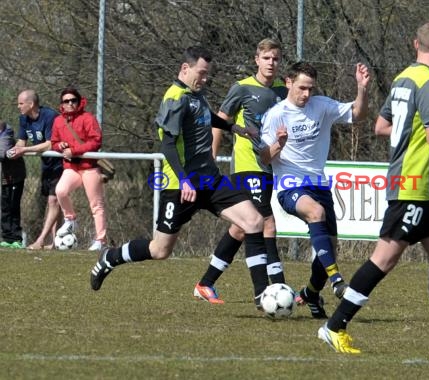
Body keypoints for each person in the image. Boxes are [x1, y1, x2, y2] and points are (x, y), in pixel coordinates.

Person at [317, 21, 429, 356]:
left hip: (422, 189)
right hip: (413, 183)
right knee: (383, 259)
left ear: (415, 44)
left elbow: (383, 127)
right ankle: (334, 326)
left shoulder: (402, 78)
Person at [89, 46, 271, 311]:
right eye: (201, 73)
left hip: (210, 180)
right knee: (160, 250)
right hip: (180, 185)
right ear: (185, 69)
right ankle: (111, 257)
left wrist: (235, 128)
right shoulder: (175, 98)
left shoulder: (196, 95)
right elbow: (168, 146)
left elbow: (207, 118)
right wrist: (185, 181)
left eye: (208, 74)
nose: (205, 79)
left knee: (253, 221)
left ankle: (262, 296)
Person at [259, 61, 370, 318]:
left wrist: (362, 89)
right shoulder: (276, 114)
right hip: (290, 186)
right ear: (288, 82)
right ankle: (337, 281)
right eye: (301, 88)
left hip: (319, 184)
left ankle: (309, 294)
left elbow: (358, 115)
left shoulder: (321, 106)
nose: (306, 94)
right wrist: (279, 144)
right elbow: (264, 158)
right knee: (316, 212)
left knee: (329, 247)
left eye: (310, 88)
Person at [193, 38, 288, 304]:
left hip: (269, 166)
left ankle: (205, 283)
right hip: (248, 166)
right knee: (266, 222)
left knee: (242, 228)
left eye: (276, 58)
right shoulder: (243, 88)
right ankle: (274, 289)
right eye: (266, 58)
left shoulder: (283, 91)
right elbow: (219, 123)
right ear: (256, 59)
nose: (271, 63)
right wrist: (210, 158)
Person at [50, 87, 107, 251]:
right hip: (71, 167)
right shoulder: (58, 121)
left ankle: (100, 241)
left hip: (89, 167)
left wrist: (73, 150)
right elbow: (54, 142)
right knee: (60, 190)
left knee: (96, 205)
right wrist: (59, 146)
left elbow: (96, 141)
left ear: (79, 101)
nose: (70, 104)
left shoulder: (88, 118)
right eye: (66, 101)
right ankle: (70, 219)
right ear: (61, 104)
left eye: (73, 100)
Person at [11, 89, 63, 250]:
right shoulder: (23, 119)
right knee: (54, 203)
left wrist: (24, 151)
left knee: (53, 200)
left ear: (31, 104)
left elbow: (49, 143)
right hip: (46, 164)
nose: (18, 106)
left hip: (60, 163)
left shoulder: (50, 116)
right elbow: (22, 141)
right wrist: (15, 150)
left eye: (21, 103)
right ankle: (56, 242)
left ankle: (41, 240)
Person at [0, 120, 26, 248]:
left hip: (15, 176)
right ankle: (7, 237)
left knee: (13, 206)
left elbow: (2, 153)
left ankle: (16, 238)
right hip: (4, 177)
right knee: (5, 207)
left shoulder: (6, 132)